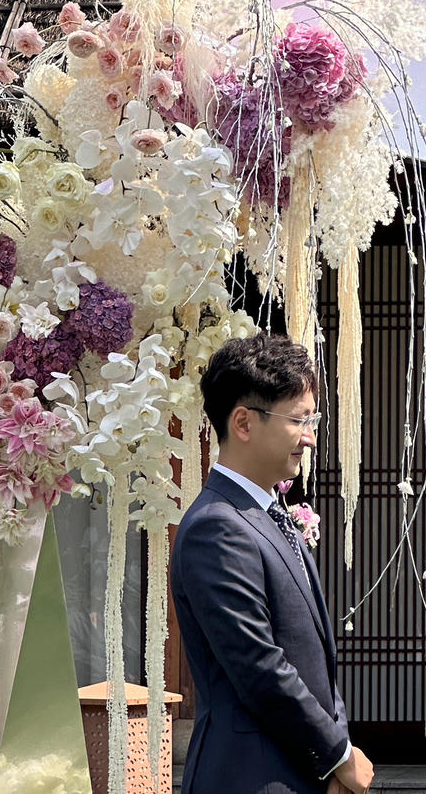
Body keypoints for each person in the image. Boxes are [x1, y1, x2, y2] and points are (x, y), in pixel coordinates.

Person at [172, 334, 374, 794]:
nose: (310, 437)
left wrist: (336, 751)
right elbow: (260, 666)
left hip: (299, 772)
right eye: (299, 420)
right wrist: (338, 755)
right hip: (251, 776)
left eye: (312, 420)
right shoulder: (217, 526)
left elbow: (315, 662)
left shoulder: (269, 514)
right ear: (244, 422)